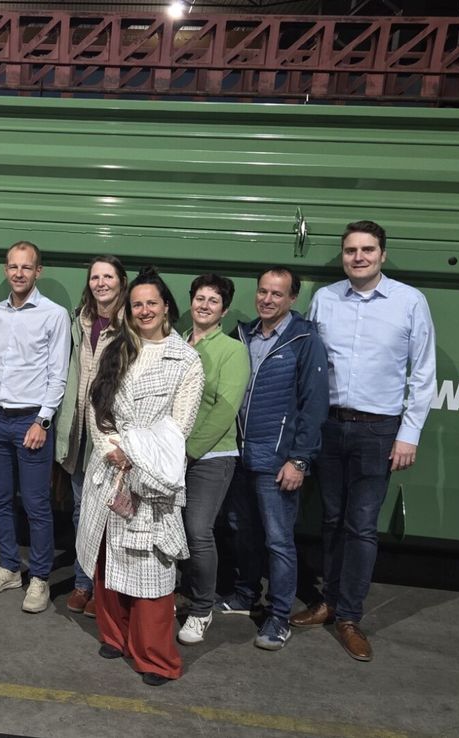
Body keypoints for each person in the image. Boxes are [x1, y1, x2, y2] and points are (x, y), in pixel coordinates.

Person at [293, 220, 436, 661]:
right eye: (351, 250)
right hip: (330, 426)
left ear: (382, 255)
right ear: (343, 255)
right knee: (332, 519)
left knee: (361, 525)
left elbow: (424, 373)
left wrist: (408, 434)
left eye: (367, 249)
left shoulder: (409, 302)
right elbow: (310, 363)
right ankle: (328, 601)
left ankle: (349, 617)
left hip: (379, 430)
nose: (358, 257)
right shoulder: (325, 299)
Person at [77, 267, 204, 686]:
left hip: (149, 478)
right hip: (108, 468)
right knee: (106, 557)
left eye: (152, 303)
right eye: (137, 304)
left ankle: (155, 658)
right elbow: (98, 406)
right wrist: (109, 447)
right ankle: (114, 636)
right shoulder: (117, 346)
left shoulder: (185, 360)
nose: (145, 310)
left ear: (166, 306)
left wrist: (129, 453)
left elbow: (178, 428)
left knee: (151, 569)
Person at [222, 266, 328, 651]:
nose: (267, 299)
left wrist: (299, 460)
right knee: (242, 530)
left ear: (292, 299)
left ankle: (279, 616)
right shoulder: (244, 334)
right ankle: (244, 595)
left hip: (277, 459)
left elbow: (314, 406)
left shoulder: (303, 340)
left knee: (279, 540)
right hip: (241, 455)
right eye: (263, 292)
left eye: (277, 294)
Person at [0, 241, 70, 614]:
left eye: (26, 267)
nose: (18, 273)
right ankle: (10, 567)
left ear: (38, 271)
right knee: (0, 498)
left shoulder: (54, 315)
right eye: (13, 266)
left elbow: (58, 375)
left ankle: (40, 578)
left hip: (31, 420)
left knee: (36, 504)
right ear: (5, 270)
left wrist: (43, 421)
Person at [175, 274, 250, 645]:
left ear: (223, 309)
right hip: (170, 454)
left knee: (197, 530)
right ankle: (179, 596)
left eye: (213, 301)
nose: (204, 305)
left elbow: (225, 409)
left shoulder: (232, 351)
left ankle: (202, 609)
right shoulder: (176, 340)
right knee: (169, 531)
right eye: (199, 298)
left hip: (211, 455)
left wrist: (187, 450)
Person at [53, 255, 127, 618]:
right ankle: (83, 584)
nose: (101, 283)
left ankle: (107, 589)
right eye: (95, 277)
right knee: (82, 511)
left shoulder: (131, 325)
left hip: (112, 436)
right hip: (79, 431)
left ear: (121, 281)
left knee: (112, 516)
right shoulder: (79, 321)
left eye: (108, 276)